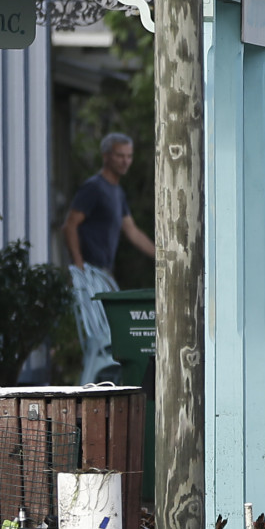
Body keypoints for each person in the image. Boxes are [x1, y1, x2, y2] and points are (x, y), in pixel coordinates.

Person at [62, 133, 156, 383]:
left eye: (129, 156)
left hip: (104, 274)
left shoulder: (117, 192)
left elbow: (132, 231)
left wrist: (162, 257)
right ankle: (91, 387)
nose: (125, 161)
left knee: (114, 335)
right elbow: (70, 225)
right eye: (119, 155)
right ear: (106, 156)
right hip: (89, 275)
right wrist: (79, 265)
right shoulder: (94, 188)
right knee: (101, 338)